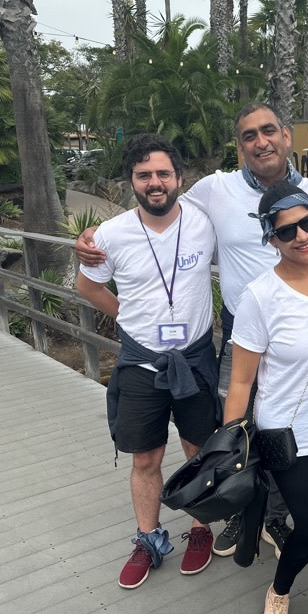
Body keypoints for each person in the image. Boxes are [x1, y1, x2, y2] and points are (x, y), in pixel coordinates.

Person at [76, 103, 308, 561]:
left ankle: (275, 514)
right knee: (231, 431)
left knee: (295, 423)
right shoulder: (214, 192)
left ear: (287, 136)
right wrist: (123, 303)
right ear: (239, 147)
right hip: (235, 335)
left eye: (269, 131)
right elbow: (153, 219)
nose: (261, 141)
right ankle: (230, 509)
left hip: (303, 331)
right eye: (249, 135)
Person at [76, 133, 221, 589]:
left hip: (196, 355)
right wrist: (128, 317)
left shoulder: (204, 221)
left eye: (162, 173)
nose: (154, 183)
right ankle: (148, 537)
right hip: (142, 363)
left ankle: (200, 529)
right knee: (145, 458)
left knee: (199, 450)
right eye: (144, 175)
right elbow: (87, 286)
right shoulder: (110, 234)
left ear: (179, 178)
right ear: (131, 182)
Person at [224, 181, 308, 614]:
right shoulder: (259, 297)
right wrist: (228, 444)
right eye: (286, 230)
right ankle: (278, 593)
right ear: (270, 238)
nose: (301, 235)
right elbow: (241, 380)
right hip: (288, 435)